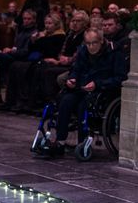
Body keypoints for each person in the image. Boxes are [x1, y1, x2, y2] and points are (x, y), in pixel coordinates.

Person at [47, 28, 127, 156]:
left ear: (101, 41)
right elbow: (76, 69)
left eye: (93, 43)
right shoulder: (83, 51)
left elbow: (120, 78)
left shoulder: (114, 52)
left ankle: (82, 142)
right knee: (65, 101)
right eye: (88, 43)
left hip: (102, 91)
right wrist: (72, 79)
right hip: (82, 87)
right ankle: (60, 141)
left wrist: (98, 84)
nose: (90, 46)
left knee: (83, 105)